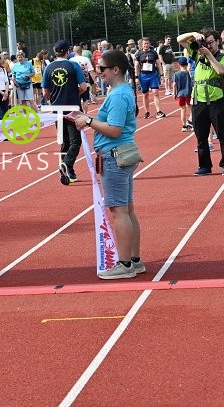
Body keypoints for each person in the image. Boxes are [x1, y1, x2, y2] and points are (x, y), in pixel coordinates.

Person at [73, 50, 145, 279]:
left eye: (101, 68)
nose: (98, 72)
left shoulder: (117, 95)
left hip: (114, 156)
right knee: (127, 210)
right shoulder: (121, 92)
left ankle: (124, 264)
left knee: (119, 211)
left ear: (115, 69)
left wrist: (89, 121)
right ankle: (133, 260)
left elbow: (114, 130)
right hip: (121, 153)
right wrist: (84, 118)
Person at [177, 29, 224, 176]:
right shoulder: (197, 53)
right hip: (199, 100)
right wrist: (193, 34)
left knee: (222, 135)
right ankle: (205, 166)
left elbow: (221, 71)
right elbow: (179, 39)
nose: (208, 46)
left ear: (217, 42)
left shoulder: (223, 56)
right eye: (206, 43)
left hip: (216, 100)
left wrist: (208, 55)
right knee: (201, 136)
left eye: (210, 43)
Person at [42, 40, 87, 185]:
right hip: (73, 109)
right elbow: (84, 86)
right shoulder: (73, 65)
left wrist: (54, 98)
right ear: (68, 51)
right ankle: (66, 165)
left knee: (64, 141)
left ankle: (68, 171)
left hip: (57, 110)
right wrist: (75, 93)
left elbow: (45, 92)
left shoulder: (48, 68)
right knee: (76, 141)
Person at [134, 38, 166, 119]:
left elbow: (159, 64)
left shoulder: (154, 53)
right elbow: (136, 66)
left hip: (153, 75)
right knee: (145, 94)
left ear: (149, 44)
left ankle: (158, 111)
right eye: (144, 43)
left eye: (147, 43)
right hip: (143, 76)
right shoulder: (139, 53)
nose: (146, 45)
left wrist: (161, 75)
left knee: (156, 92)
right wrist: (136, 77)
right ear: (142, 45)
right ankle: (147, 111)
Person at [173, 57, 193, 131]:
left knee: (183, 110)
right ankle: (192, 124)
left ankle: (184, 126)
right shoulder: (189, 73)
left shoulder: (176, 74)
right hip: (188, 93)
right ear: (187, 64)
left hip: (180, 94)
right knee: (192, 110)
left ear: (179, 64)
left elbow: (174, 84)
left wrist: (174, 93)